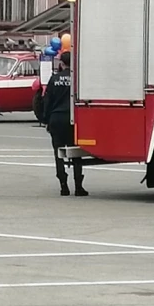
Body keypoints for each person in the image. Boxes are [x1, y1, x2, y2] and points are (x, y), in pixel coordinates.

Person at [44, 51, 87, 197]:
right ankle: (79, 187)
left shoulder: (54, 79)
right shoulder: (77, 79)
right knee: (76, 153)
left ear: (62, 64)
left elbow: (47, 101)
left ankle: (63, 186)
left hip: (56, 118)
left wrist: (46, 120)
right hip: (73, 119)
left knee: (59, 153)